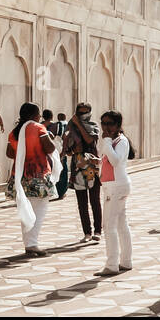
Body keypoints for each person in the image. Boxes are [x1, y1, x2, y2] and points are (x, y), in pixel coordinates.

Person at [5, 102, 56, 257]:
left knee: (25, 210)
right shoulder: (39, 128)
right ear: (35, 115)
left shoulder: (14, 132)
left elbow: (9, 153)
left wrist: (23, 155)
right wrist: (49, 138)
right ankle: (32, 244)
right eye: (39, 113)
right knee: (39, 211)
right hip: (38, 175)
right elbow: (50, 148)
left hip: (21, 176)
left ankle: (28, 244)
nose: (40, 116)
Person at [94, 111, 133, 276]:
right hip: (113, 185)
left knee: (109, 226)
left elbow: (116, 161)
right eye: (103, 123)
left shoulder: (121, 141)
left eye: (110, 123)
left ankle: (111, 264)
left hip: (117, 187)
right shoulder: (112, 141)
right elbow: (106, 157)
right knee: (120, 224)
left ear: (118, 125)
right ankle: (125, 261)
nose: (106, 127)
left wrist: (107, 141)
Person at [65, 102, 102, 242]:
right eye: (80, 113)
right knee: (82, 203)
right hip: (77, 166)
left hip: (92, 166)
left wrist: (78, 124)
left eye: (85, 112)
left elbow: (89, 139)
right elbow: (68, 150)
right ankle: (87, 232)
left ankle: (97, 231)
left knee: (95, 200)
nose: (82, 115)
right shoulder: (71, 127)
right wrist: (73, 149)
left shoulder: (93, 126)